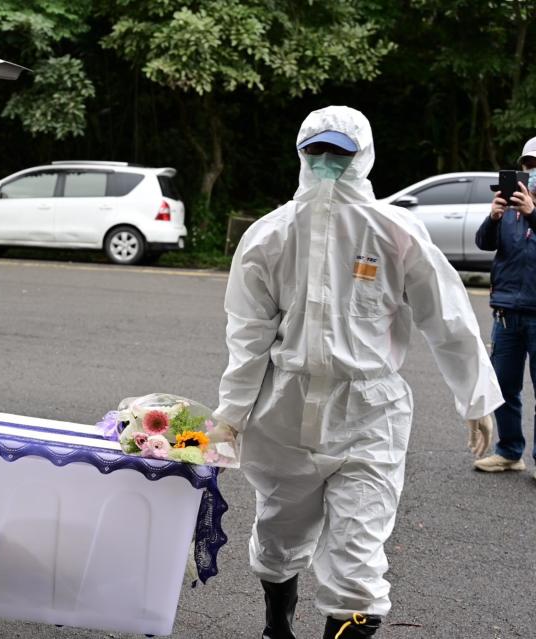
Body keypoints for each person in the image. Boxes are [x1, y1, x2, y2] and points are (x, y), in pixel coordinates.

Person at [212, 106, 503, 639]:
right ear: (300, 154)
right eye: (316, 151)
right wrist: (229, 417)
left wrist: (477, 397)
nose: (326, 163)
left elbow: (448, 317)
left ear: (362, 157)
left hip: (369, 413)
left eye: (339, 153)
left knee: (357, 561)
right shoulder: (271, 236)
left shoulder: (395, 232)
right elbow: (247, 337)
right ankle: (277, 626)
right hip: (283, 411)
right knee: (278, 539)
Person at [473, 136, 536, 479]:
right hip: (507, 313)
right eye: (528, 165)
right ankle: (510, 452)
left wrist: (533, 213)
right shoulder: (508, 210)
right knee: (504, 387)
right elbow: (484, 243)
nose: (531, 172)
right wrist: (494, 217)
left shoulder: (527, 210)